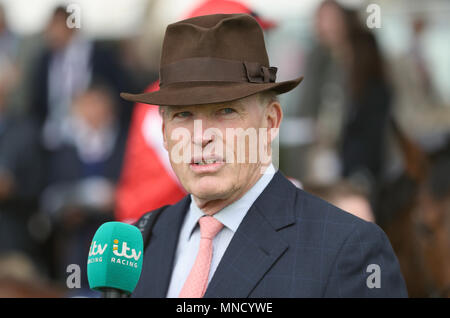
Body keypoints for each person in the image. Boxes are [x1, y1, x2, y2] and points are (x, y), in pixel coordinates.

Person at [121, 13, 407, 298]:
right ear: (165, 132)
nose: (201, 135)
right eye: (183, 114)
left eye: (225, 111)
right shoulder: (138, 242)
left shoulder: (349, 249)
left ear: (270, 122)